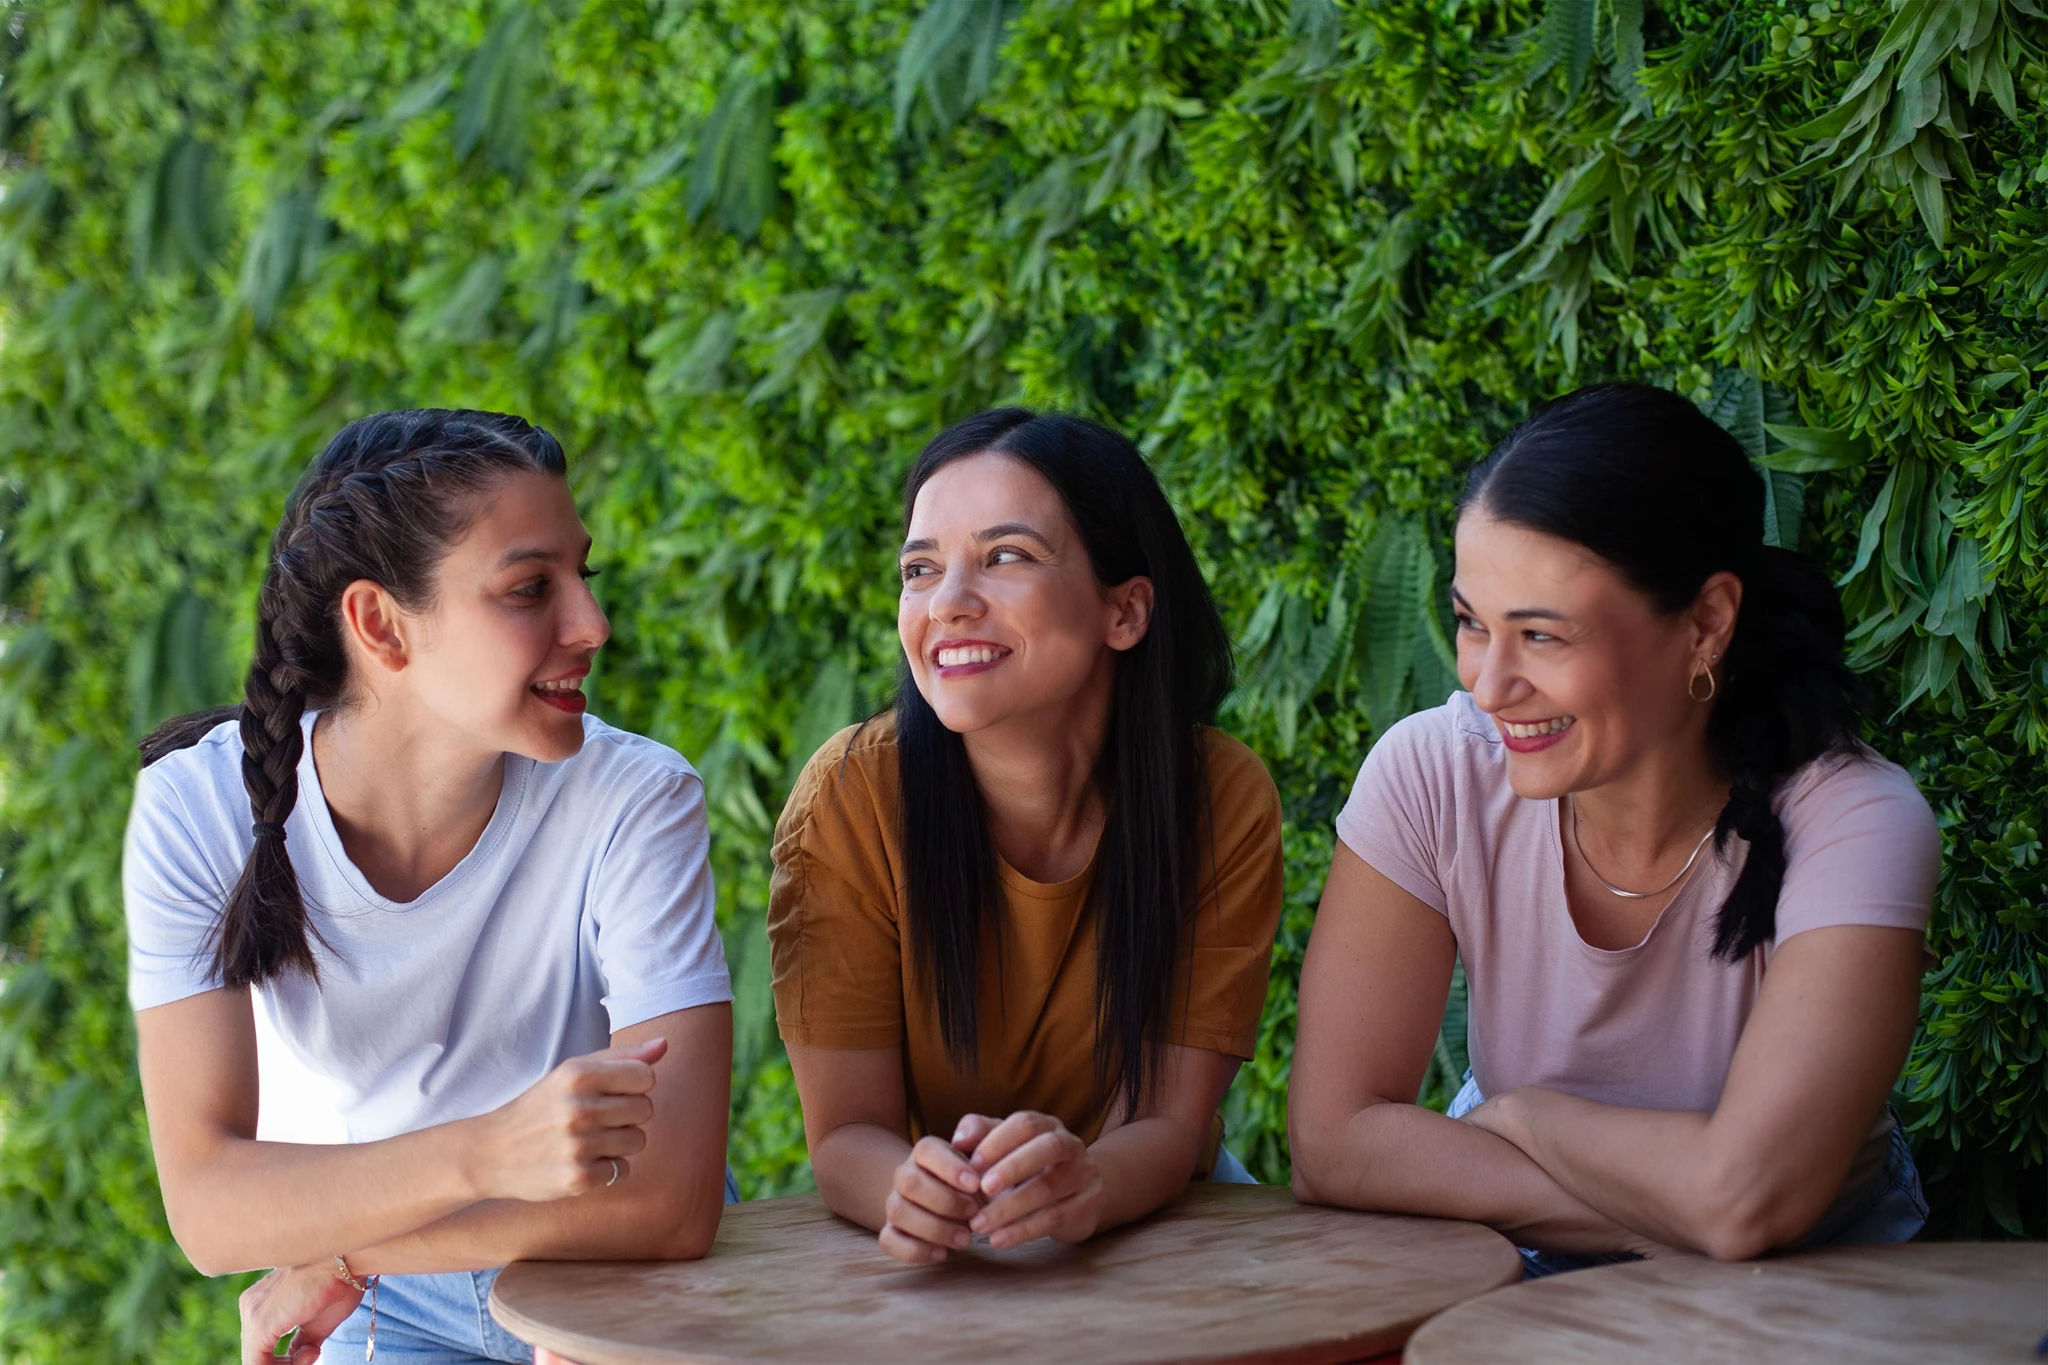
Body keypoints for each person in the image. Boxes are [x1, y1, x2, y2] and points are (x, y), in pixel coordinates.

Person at [123, 410, 735, 1365]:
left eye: (584, 576)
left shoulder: (634, 799)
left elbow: (674, 1198)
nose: (592, 625)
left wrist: (343, 1246)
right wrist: (489, 1152)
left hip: (601, 1255)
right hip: (387, 1304)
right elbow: (208, 1208)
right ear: (380, 625)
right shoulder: (196, 812)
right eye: (532, 587)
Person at [1289, 383, 1936, 1274]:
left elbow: (1749, 1198)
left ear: (1706, 623)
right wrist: (1666, 1211)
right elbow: (1335, 1140)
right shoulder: (1435, 772)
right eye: (1473, 623)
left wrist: (1523, 1117)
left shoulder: (1852, 820)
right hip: (1528, 1279)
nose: (1488, 683)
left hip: (1812, 1296)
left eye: (1544, 637)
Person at [768, 408, 1283, 1264]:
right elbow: (846, 1135)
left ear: (1126, 610)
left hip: (1160, 1218)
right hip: (946, 1229)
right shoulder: (851, 798)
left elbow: (1165, 1122)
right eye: (920, 569)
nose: (949, 603)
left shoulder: (1219, 797)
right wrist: (910, 1188)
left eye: (1005, 557)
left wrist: (1084, 1181)